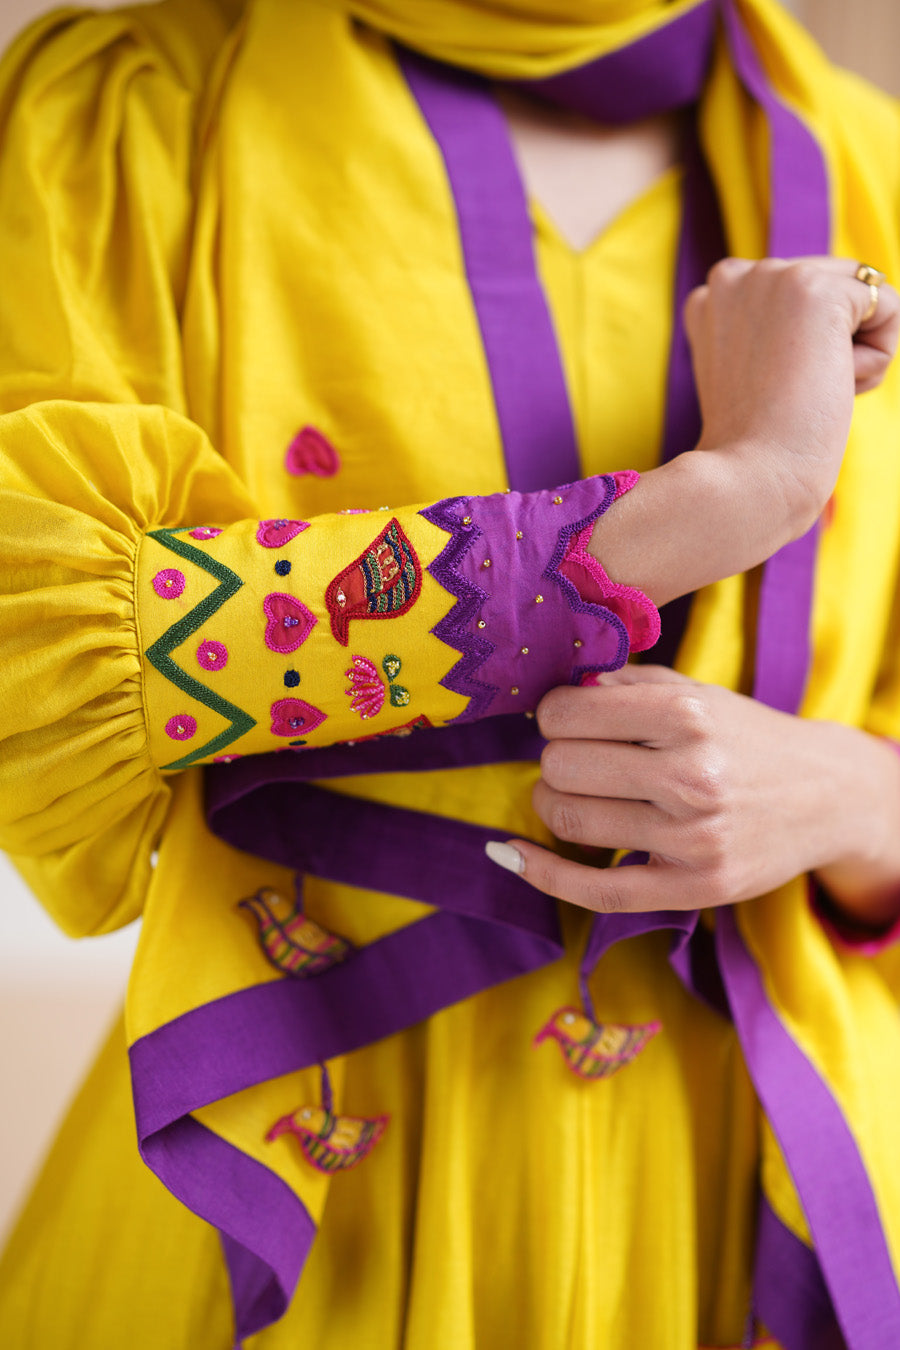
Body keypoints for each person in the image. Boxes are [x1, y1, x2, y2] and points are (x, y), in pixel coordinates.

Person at [2, 0, 900, 1346]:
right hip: (303, 1151)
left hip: (753, 1173)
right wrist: (707, 506)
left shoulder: (875, 172)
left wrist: (848, 795)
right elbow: (35, 643)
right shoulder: (136, 116)